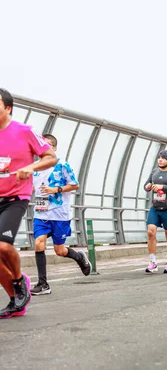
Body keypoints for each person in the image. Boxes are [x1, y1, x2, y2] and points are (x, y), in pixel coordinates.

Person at [0, 88, 57, 318]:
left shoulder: (25, 132)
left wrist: (30, 167)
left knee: (2, 246)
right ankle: (16, 301)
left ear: (8, 108)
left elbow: (50, 156)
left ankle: (19, 279)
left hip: (16, 197)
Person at [31, 134, 90, 295]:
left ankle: (79, 257)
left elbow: (75, 185)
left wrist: (55, 189)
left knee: (60, 250)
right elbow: (31, 188)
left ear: (54, 148)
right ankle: (43, 284)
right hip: (41, 214)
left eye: (48, 145)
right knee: (39, 244)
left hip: (60, 215)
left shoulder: (62, 165)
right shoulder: (35, 167)